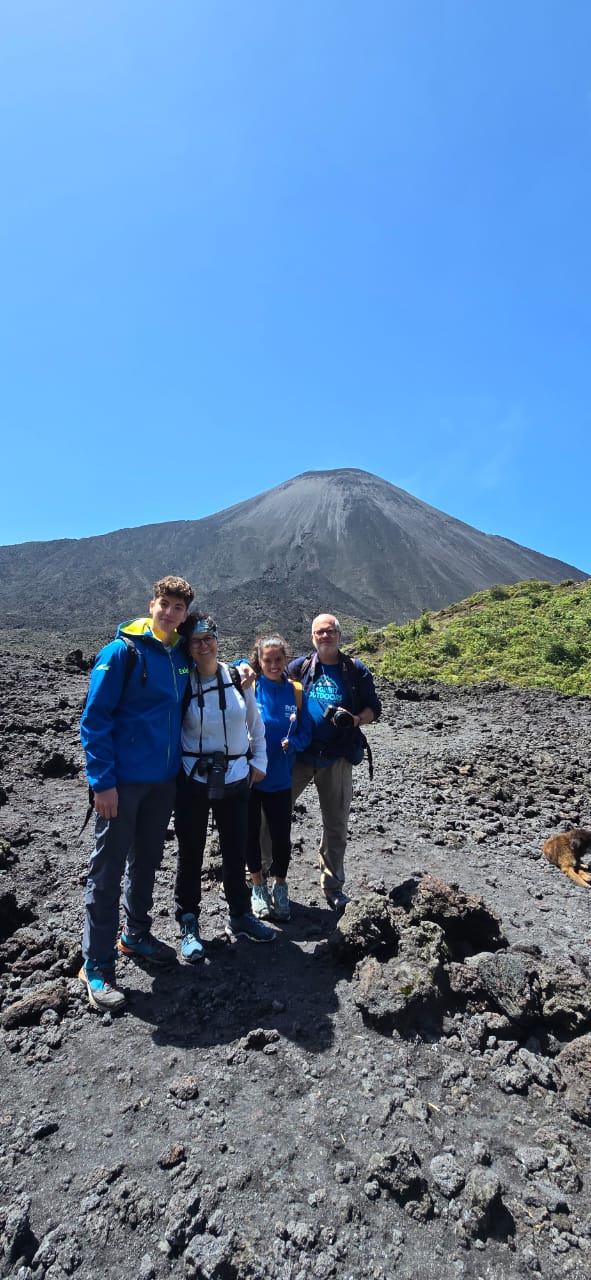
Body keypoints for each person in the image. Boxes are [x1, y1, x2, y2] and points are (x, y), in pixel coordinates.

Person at [79, 574, 195, 1012]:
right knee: (107, 872)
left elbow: (204, 665)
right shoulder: (121, 652)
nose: (169, 613)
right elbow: (94, 719)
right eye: (164, 604)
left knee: (147, 861)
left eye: (178, 608)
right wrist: (102, 782)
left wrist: (242, 668)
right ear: (152, 605)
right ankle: (96, 965)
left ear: (184, 615)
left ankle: (136, 934)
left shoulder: (178, 655)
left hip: (162, 781)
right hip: (122, 784)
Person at [174, 612, 275, 958]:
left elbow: (255, 723)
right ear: (187, 647)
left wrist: (258, 762)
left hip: (235, 779)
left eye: (208, 637)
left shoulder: (236, 678)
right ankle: (188, 921)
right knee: (191, 853)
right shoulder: (181, 684)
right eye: (195, 640)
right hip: (193, 780)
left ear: (217, 638)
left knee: (236, 849)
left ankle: (241, 915)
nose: (203, 645)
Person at [286, 612, 381, 910]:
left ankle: (333, 885)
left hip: (338, 757)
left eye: (330, 631)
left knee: (336, 825)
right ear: (312, 637)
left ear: (339, 635)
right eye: (319, 632)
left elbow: (374, 708)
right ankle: (262, 879)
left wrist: (355, 720)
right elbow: (271, 685)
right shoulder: (299, 667)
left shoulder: (355, 670)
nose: (325, 636)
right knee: (270, 816)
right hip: (300, 754)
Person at [246, 634, 313, 923]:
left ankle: (280, 885)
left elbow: (306, 732)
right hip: (250, 778)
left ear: (285, 659)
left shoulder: (296, 692)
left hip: (281, 778)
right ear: (258, 662)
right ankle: (257, 885)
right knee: (250, 834)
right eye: (267, 660)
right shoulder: (250, 686)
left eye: (278, 659)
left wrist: (294, 743)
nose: (273, 665)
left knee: (281, 837)